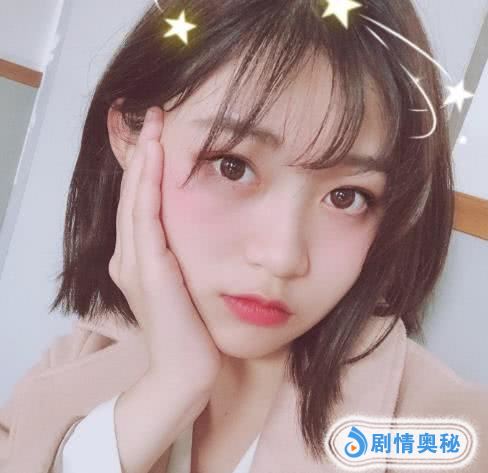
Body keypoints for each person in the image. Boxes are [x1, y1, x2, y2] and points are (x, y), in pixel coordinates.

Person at [1, 0, 487, 472]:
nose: (282, 256)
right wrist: (171, 386)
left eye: (347, 197)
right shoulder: (75, 362)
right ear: (132, 136)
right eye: (232, 166)